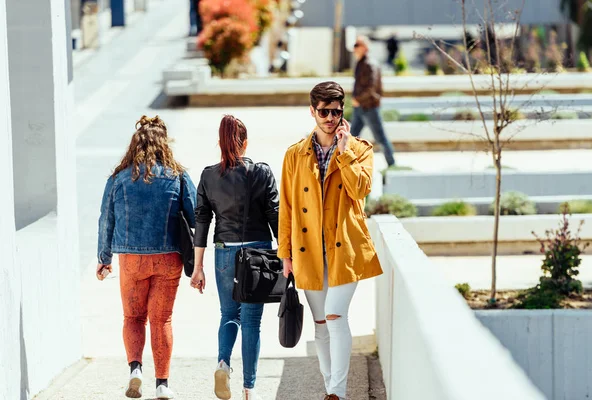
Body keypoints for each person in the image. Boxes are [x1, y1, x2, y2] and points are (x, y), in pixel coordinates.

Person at [278, 82, 383, 400]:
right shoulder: (295, 154)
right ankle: (330, 386)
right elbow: (287, 208)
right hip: (307, 251)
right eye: (323, 112)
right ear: (312, 111)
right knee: (321, 323)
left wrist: (344, 151)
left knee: (336, 315)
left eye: (336, 112)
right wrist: (285, 254)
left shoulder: (360, 149)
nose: (329, 118)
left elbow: (361, 190)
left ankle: (337, 392)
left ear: (343, 113)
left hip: (345, 249)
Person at [96, 115, 197, 399]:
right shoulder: (177, 175)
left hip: (131, 259)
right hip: (168, 258)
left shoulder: (119, 178)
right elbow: (195, 215)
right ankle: (162, 384)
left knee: (133, 317)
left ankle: (135, 370)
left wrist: (104, 257)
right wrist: (197, 261)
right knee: (161, 320)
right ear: (165, 143)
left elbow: (106, 219)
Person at [190, 115, 279, 400]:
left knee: (229, 314)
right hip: (258, 254)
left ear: (220, 143)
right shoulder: (262, 172)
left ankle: (223, 364)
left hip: (224, 252)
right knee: (252, 322)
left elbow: (201, 221)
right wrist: (287, 256)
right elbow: (275, 217)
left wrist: (197, 267)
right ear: (245, 143)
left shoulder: (207, 175)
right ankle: (249, 389)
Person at [350, 36, 396, 167]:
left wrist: (357, 99)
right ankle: (347, 165)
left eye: (357, 45)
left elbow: (372, 87)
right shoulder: (360, 63)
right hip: (360, 108)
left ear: (365, 48)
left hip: (369, 107)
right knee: (351, 138)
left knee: (380, 137)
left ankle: (392, 164)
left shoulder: (370, 65)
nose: (354, 48)